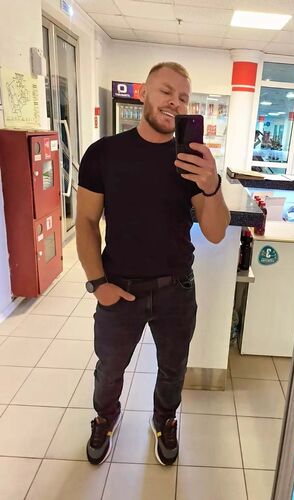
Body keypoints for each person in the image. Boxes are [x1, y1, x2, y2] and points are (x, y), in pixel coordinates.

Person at [76, 61, 230, 466]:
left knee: (172, 369)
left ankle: (164, 420)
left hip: (176, 289)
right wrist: (98, 284)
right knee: (110, 368)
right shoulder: (103, 154)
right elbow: (86, 222)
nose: (174, 102)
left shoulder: (189, 161)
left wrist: (211, 184)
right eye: (166, 91)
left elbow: (216, 232)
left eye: (183, 98)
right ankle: (105, 417)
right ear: (144, 92)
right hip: (118, 287)